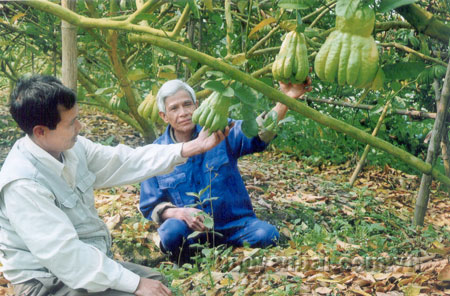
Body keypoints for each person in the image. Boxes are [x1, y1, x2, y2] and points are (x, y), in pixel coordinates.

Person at [0, 74, 229, 296]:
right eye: (71, 123)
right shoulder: (23, 183)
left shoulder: (71, 148)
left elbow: (125, 160)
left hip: (85, 260)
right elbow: (66, 257)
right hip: (46, 281)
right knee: (140, 291)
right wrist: (135, 284)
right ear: (40, 131)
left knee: (157, 283)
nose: (79, 126)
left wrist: (189, 148)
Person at [139, 78, 312, 264]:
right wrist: (179, 213)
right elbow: (151, 205)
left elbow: (258, 133)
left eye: (187, 104)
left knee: (268, 235)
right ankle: (189, 262)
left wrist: (285, 98)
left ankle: (228, 250)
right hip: (191, 230)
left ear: (197, 105)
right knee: (171, 233)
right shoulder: (157, 153)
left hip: (235, 225)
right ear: (164, 116)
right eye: (174, 108)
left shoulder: (219, 129)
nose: (183, 113)